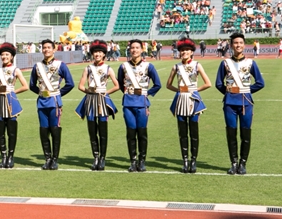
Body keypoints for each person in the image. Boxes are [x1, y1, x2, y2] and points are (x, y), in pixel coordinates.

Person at [216, 33, 264, 175]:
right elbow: (219, 83)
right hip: (230, 103)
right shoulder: (225, 63)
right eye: (235, 43)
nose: (238, 45)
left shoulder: (250, 63)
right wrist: (229, 92)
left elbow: (260, 83)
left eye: (240, 43)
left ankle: (243, 163)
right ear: (231, 45)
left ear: (244, 45)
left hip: (246, 102)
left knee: (245, 133)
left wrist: (246, 90)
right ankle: (234, 163)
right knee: (231, 133)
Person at [165, 38, 211, 173]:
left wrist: (194, 91)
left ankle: (193, 160)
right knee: (182, 132)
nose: (184, 52)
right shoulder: (176, 66)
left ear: (191, 52)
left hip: (193, 101)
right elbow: (168, 85)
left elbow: (208, 83)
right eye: (182, 50)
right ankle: (185, 160)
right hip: (180, 101)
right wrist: (180, 91)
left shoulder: (197, 65)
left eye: (187, 50)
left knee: (194, 132)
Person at [29, 39, 74, 170]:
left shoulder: (61, 65)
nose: (46, 50)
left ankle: (54, 159)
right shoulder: (37, 66)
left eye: (49, 47)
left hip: (54, 102)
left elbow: (70, 83)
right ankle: (47, 158)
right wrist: (41, 93)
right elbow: (32, 85)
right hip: (42, 102)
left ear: (54, 49)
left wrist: (58, 94)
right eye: (44, 48)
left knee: (55, 130)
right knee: (43, 131)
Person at [117, 39, 161, 172]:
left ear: (142, 50)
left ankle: (142, 161)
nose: (134, 50)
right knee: (131, 133)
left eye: (137, 47)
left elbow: (158, 84)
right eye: (132, 48)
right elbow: (120, 83)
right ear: (129, 50)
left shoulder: (149, 66)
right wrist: (129, 93)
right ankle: (133, 161)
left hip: (142, 103)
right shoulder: (123, 66)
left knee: (142, 133)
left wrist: (147, 93)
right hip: (128, 103)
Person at [75, 40, 119, 171]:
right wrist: (89, 91)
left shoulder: (108, 68)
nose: (97, 54)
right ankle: (95, 157)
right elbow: (80, 86)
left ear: (104, 54)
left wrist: (106, 92)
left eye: (100, 52)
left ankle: (102, 158)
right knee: (92, 131)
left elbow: (117, 86)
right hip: (90, 101)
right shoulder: (88, 68)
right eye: (95, 52)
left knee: (103, 131)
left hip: (102, 101)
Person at [0, 42, 29, 168]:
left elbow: (25, 86)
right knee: (0, 132)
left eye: (7, 54)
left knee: (11, 131)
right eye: (2, 54)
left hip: (11, 103)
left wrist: (12, 92)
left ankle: (11, 156)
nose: (4, 56)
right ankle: (3, 156)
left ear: (11, 56)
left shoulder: (16, 70)